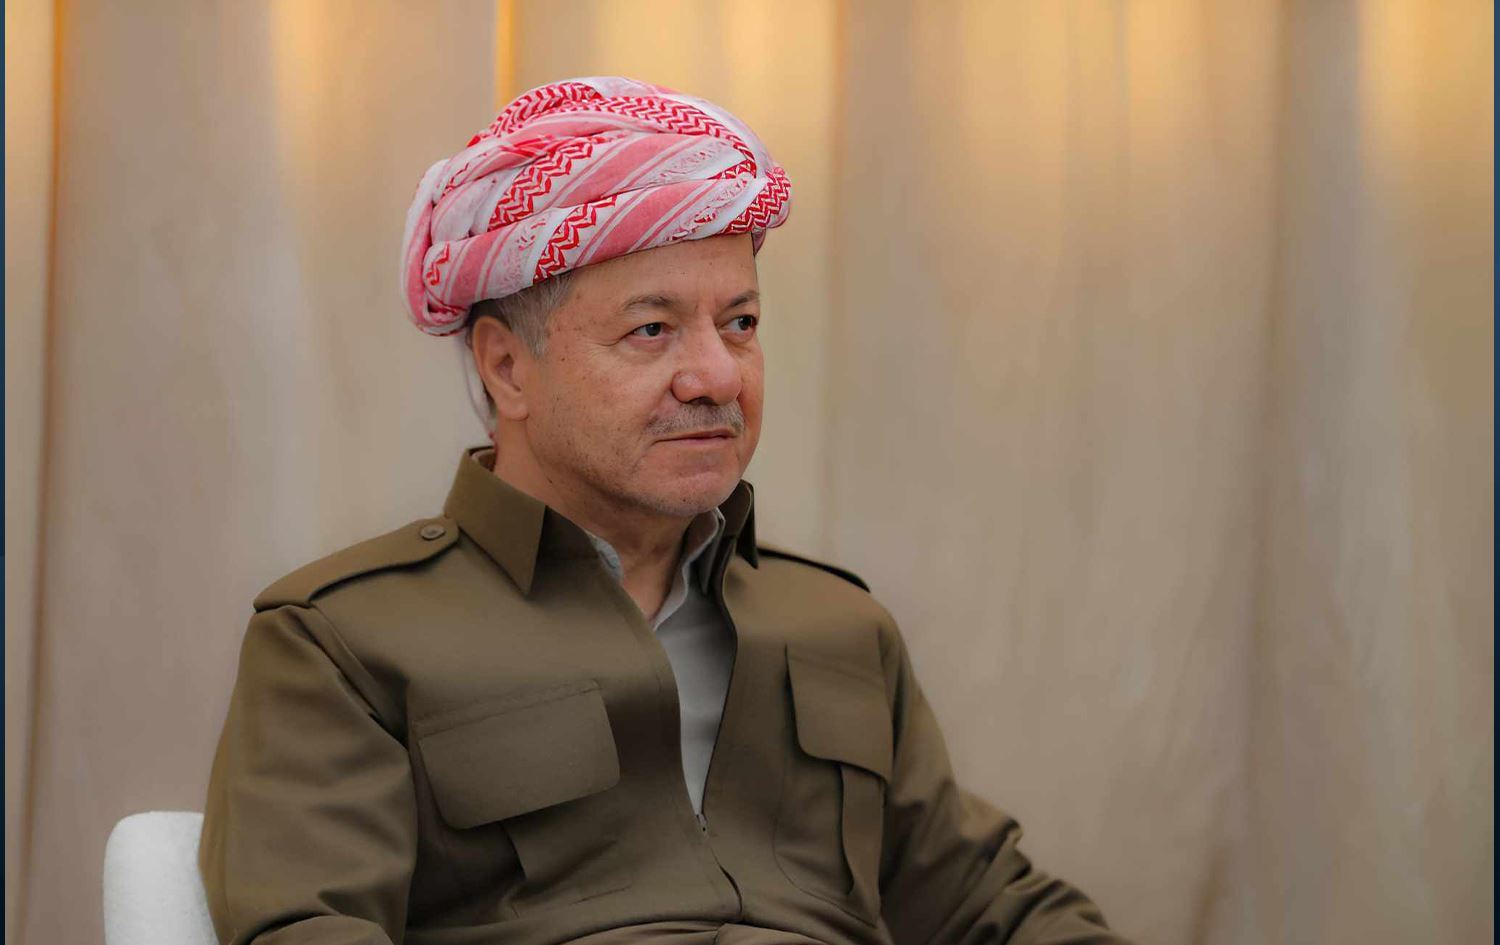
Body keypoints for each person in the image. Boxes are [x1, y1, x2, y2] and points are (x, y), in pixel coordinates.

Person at [198, 76, 1132, 945]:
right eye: (652, 329)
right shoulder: (342, 641)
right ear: (507, 367)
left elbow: (995, 909)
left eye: (741, 323)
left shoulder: (841, 626)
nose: (718, 375)